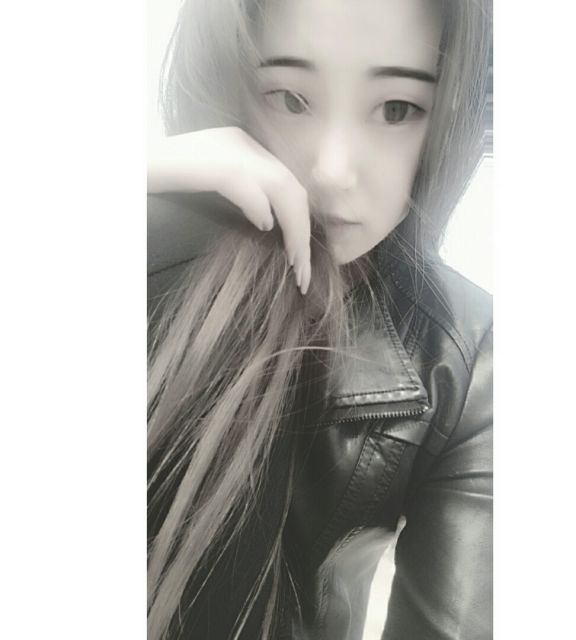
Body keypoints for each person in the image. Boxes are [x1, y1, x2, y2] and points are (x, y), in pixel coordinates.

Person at [147, 0, 493, 638]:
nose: (333, 172)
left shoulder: (466, 351)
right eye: (290, 99)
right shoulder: (153, 241)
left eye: (397, 109)